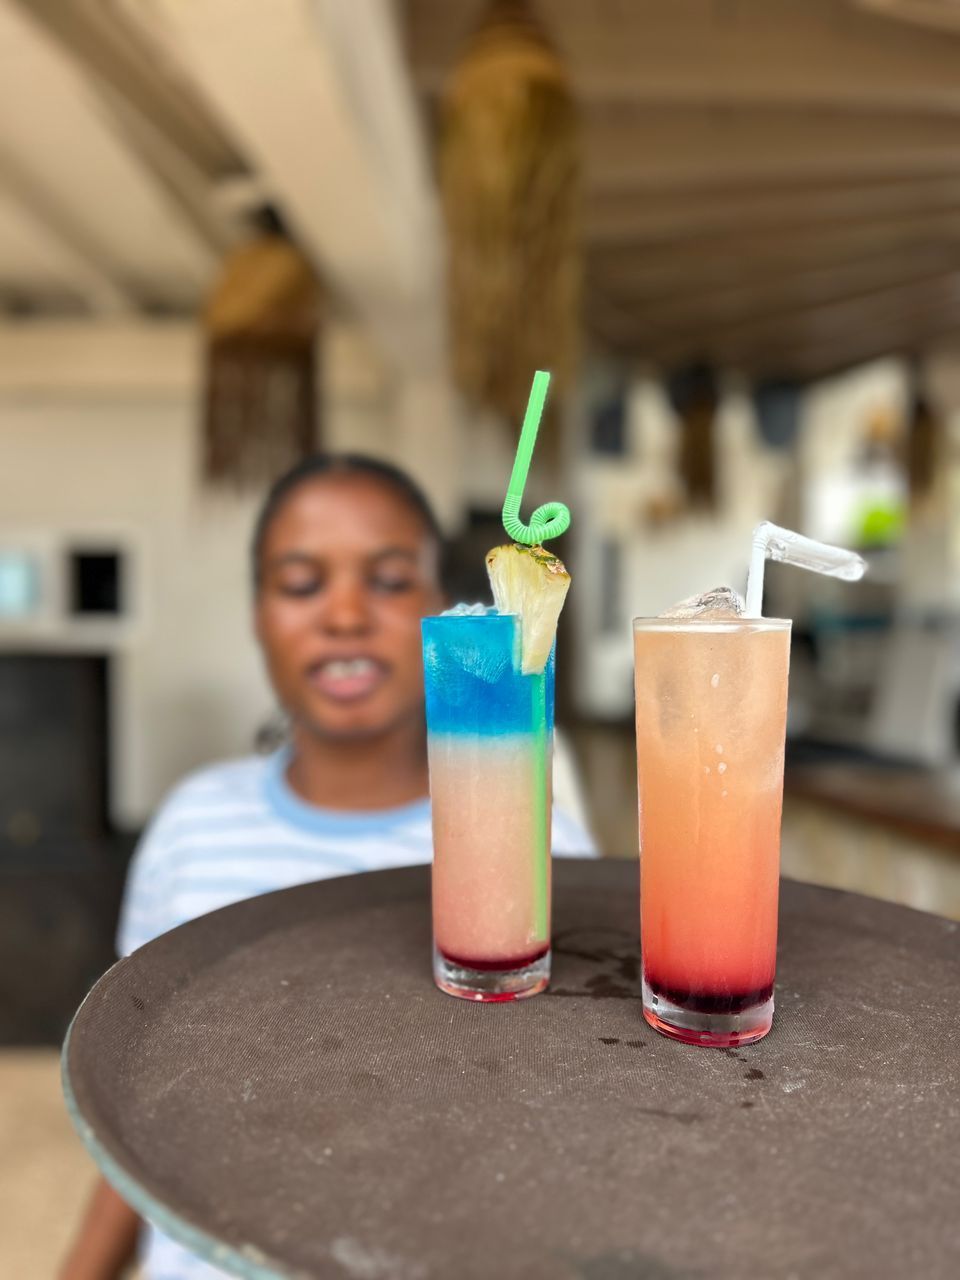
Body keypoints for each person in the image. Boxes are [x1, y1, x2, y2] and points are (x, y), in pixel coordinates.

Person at [60, 453, 596, 1280]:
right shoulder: (192, 826)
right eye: (302, 584)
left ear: (443, 608)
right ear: (257, 616)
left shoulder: (538, 841)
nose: (345, 615)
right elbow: (133, 1110)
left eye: (389, 581)